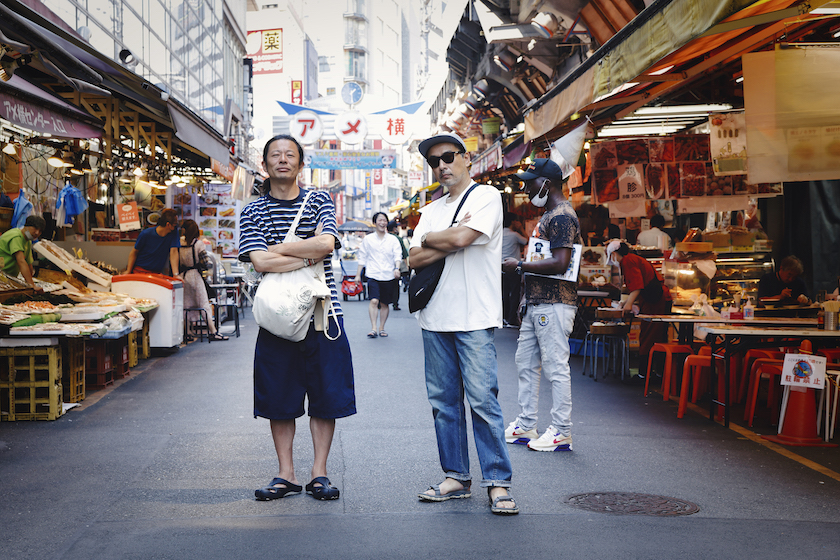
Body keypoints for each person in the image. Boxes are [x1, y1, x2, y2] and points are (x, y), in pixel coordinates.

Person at [239, 134, 356, 502]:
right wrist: (308, 254)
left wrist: (280, 250)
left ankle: (319, 472)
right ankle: (285, 474)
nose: (283, 160)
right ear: (265, 164)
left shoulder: (319, 199)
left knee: (326, 396)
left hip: (324, 315)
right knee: (279, 397)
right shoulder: (253, 210)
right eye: (276, 155)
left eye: (291, 155)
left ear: (301, 164)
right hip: (277, 318)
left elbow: (327, 244)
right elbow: (260, 262)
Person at [410, 132, 517, 515]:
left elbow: (462, 238)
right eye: (434, 160)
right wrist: (443, 238)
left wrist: (432, 239)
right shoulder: (432, 207)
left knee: (483, 401)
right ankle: (456, 477)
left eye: (448, 156)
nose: (441, 165)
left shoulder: (486, 196)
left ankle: (498, 482)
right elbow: (412, 258)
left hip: (474, 317)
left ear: (466, 158)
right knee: (443, 403)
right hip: (434, 317)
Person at [501, 159, 582, 452]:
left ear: (546, 184)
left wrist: (520, 266)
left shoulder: (561, 217)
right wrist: (526, 297)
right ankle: (526, 424)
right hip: (538, 302)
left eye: (530, 182)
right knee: (526, 363)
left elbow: (561, 263)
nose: (526, 187)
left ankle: (561, 431)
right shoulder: (550, 215)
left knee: (555, 367)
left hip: (555, 303)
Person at [606, 240, 672, 376]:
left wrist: (628, 304)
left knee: (649, 335)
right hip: (656, 299)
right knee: (657, 335)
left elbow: (637, 286)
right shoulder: (632, 259)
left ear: (613, 254)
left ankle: (645, 374)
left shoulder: (628, 261)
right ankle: (658, 373)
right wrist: (626, 302)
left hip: (656, 300)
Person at [178, 219, 227, 342]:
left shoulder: (179, 243)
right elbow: (206, 262)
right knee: (204, 303)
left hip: (182, 276)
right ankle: (213, 332)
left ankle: (187, 332)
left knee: (186, 304)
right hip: (195, 276)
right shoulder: (198, 244)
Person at [355, 212, 401, 337]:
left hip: (388, 275)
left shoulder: (393, 239)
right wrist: (358, 275)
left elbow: (398, 255)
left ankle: (382, 328)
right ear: (375, 223)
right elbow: (362, 257)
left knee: (385, 303)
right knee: (374, 300)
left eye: (384, 220)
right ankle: (374, 327)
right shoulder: (368, 239)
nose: (382, 223)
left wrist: (397, 268)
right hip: (373, 274)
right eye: (380, 220)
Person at [126, 208, 180, 275]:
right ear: (168, 225)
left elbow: (174, 251)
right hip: (140, 270)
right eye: (175, 224)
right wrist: (128, 271)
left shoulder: (173, 232)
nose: (176, 226)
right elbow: (134, 252)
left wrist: (176, 274)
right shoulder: (146, 233)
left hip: (156, 272)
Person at [0, 214, 45, 286]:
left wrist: (31, 282)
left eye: (40, 231)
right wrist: (31, 285)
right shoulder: (16, 236)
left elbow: (29, 263)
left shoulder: (27, 241)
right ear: (26, 226)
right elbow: (21, 261)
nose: (37, 233)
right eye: (35, 228)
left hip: (8, 278)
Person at [501, 213, 527, 327]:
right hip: (513, 267)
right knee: (515, 293)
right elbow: (527, 241)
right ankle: (511, 319)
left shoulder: (498, 233)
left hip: (500, 266)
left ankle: (503, 317)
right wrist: (521, 228)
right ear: (513, 222)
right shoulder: (515, 234)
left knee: (503, 293)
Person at [387, 220, 409, 310]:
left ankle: (381, 302)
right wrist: (406, 266)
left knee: (384, 283)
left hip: (385, 265)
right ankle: (395, 304)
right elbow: (404, 254)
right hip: (396, 265)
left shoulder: (384, 238)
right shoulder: (399, 239)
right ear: (395, 228)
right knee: (396, 285)